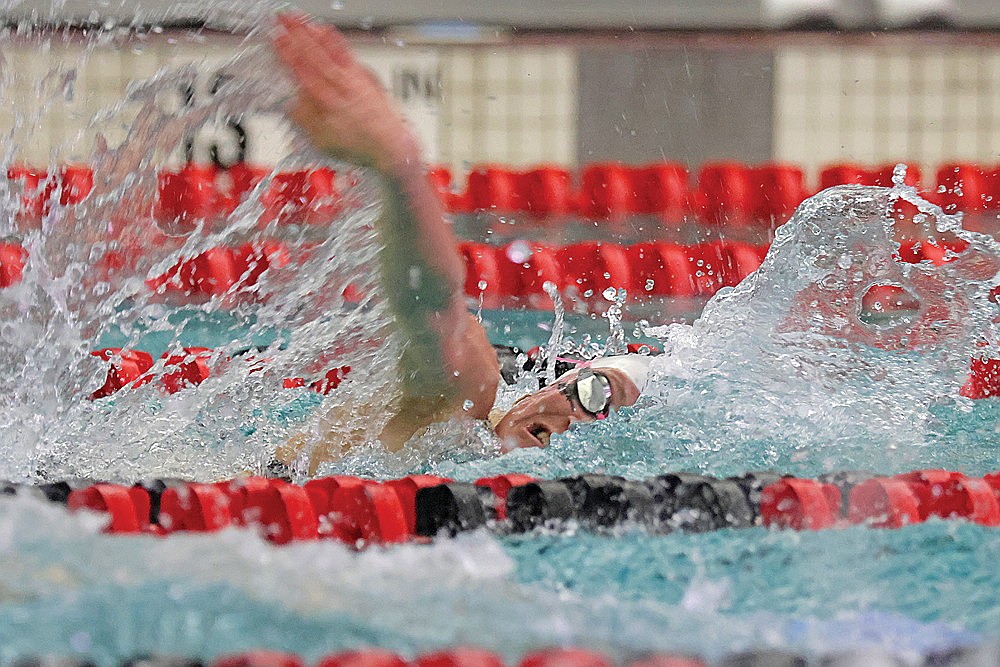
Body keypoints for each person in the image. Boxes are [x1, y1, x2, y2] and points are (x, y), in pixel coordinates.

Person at [272, 14, 651, 468]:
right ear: (557, 383)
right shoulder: (467, 400)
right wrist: (400, 166)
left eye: (602, 426)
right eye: (593, 394)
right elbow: (433, 303)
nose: (572, 426)